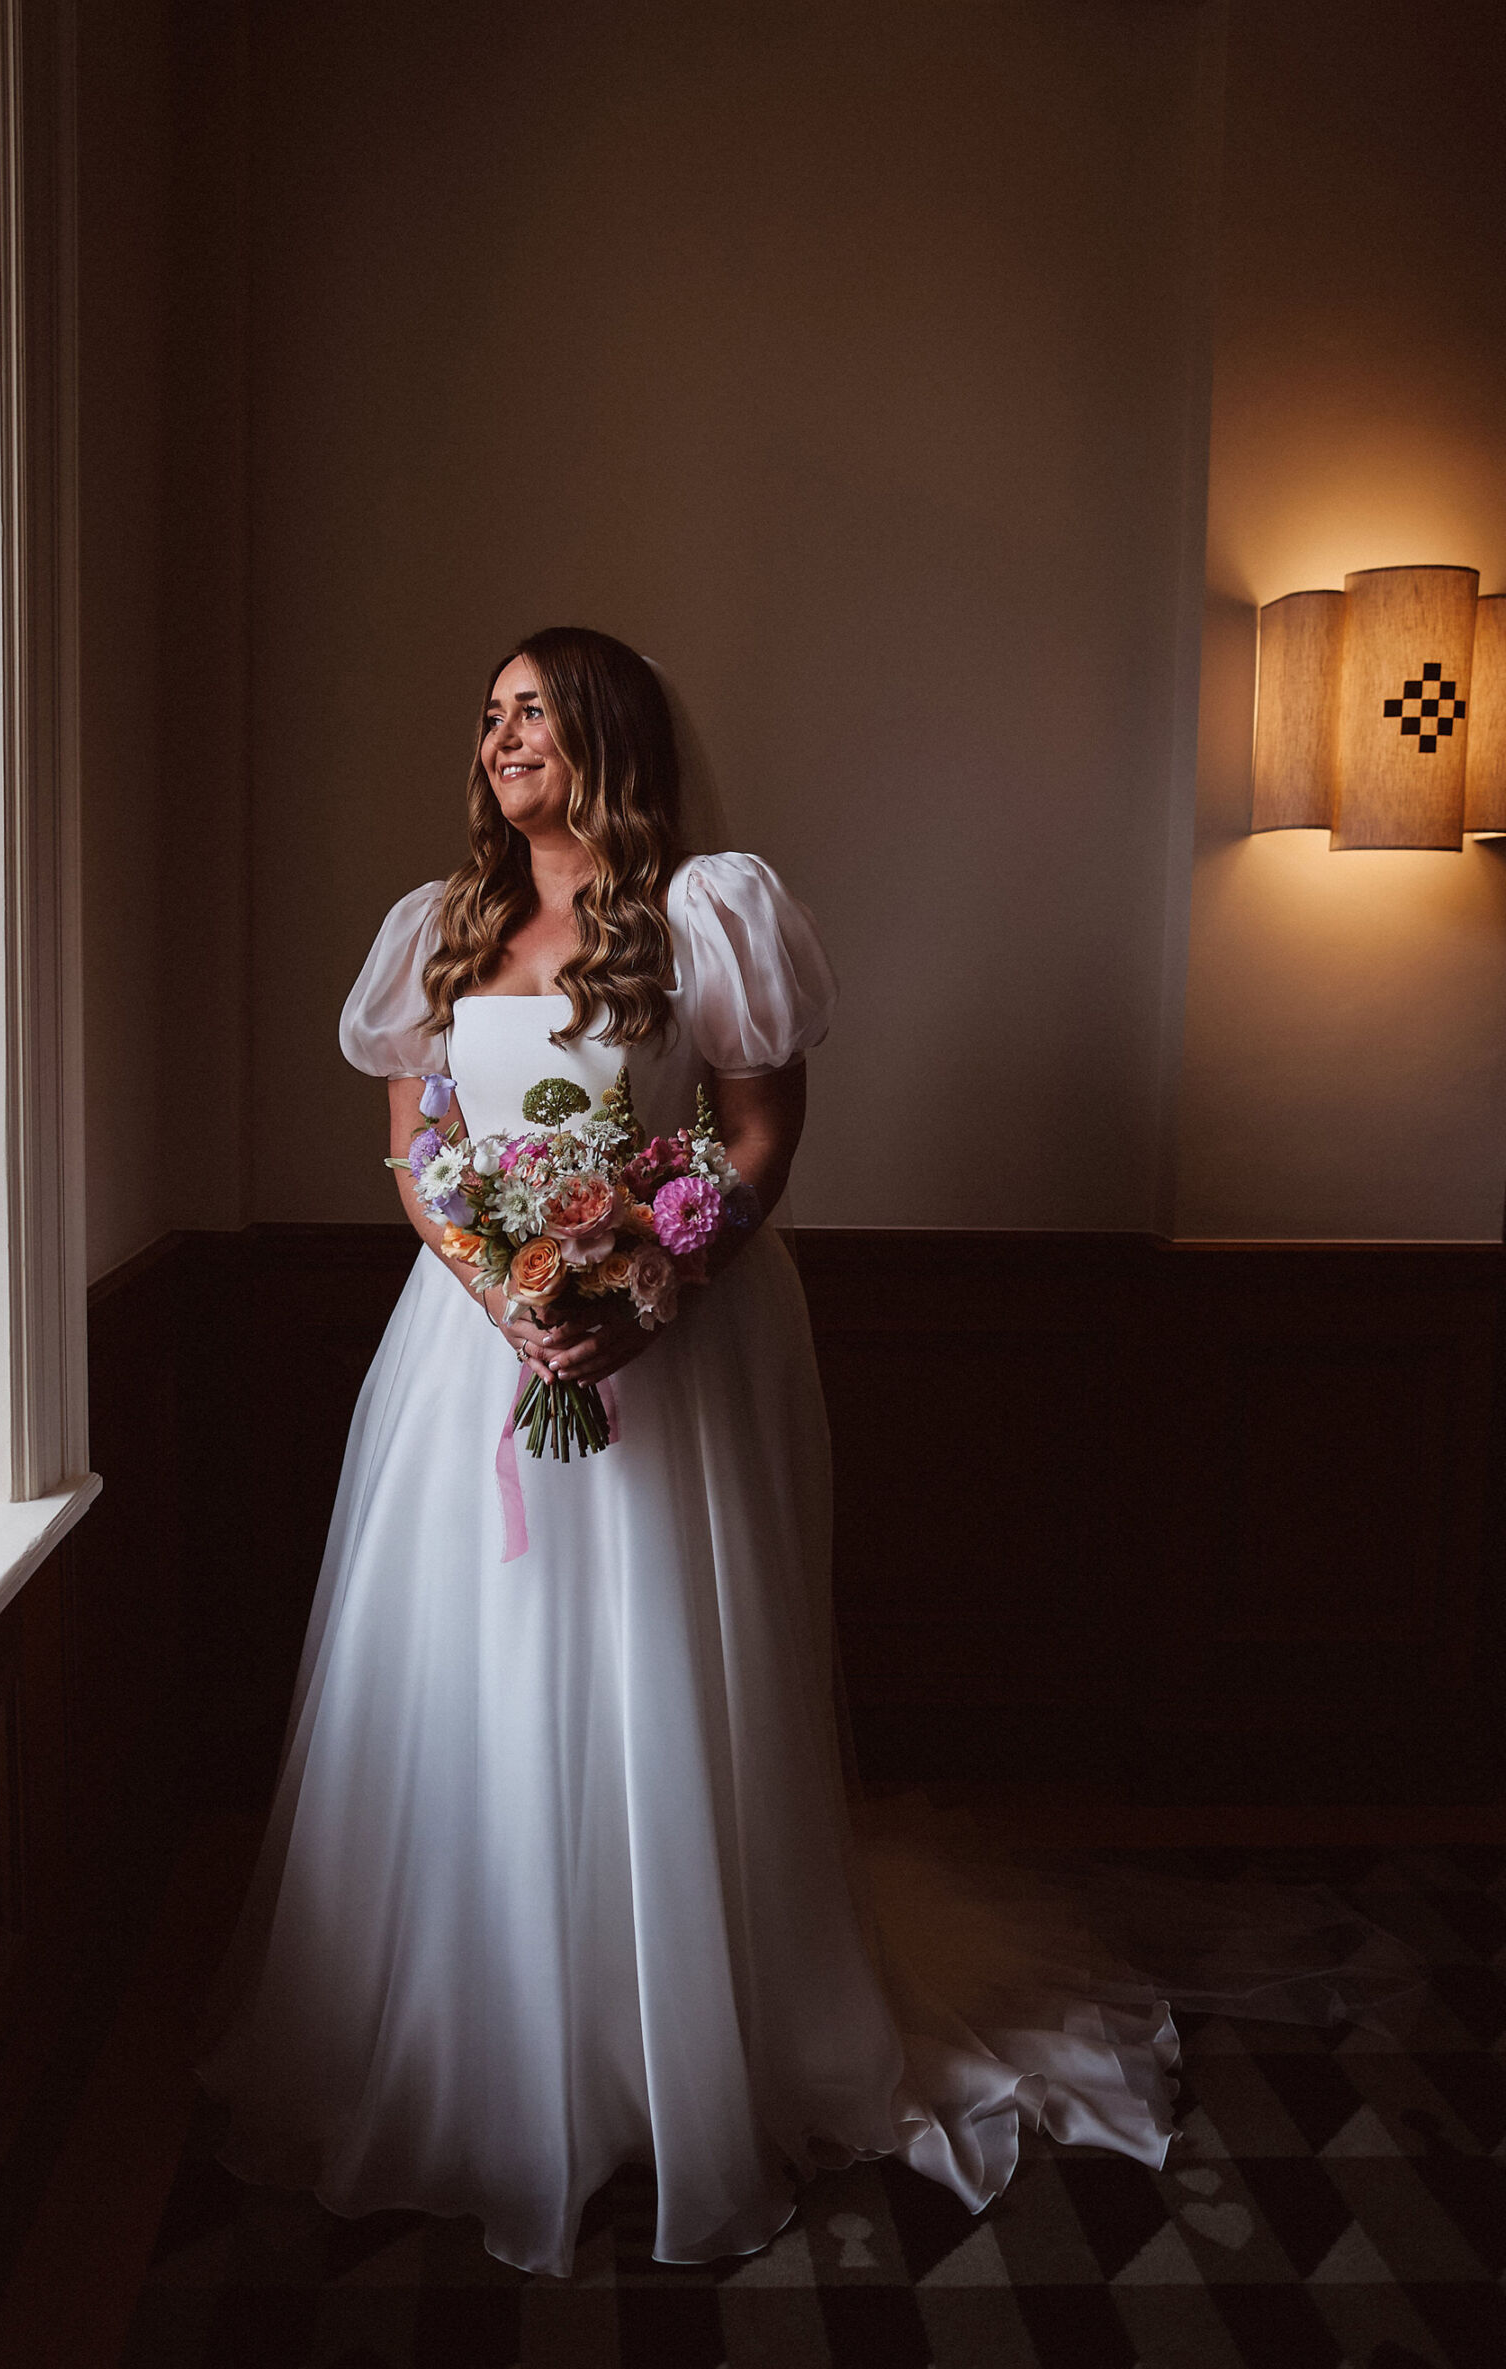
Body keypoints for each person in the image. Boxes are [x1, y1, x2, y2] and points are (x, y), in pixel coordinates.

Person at [198, 625, 1182, 2277]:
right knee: (473, 1669)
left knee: (651, 1665)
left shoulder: (706, 909)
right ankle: (480, 2043)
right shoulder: (439, 928)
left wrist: (646, 1293)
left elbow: (759, 1128)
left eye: (533, 712)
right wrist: (499, 1285)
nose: (501, 738)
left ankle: (683, 2046)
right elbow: (417, 1147)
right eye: (491, 714)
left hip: (671, 1336)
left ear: (602, 735)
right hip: (473, 1351)